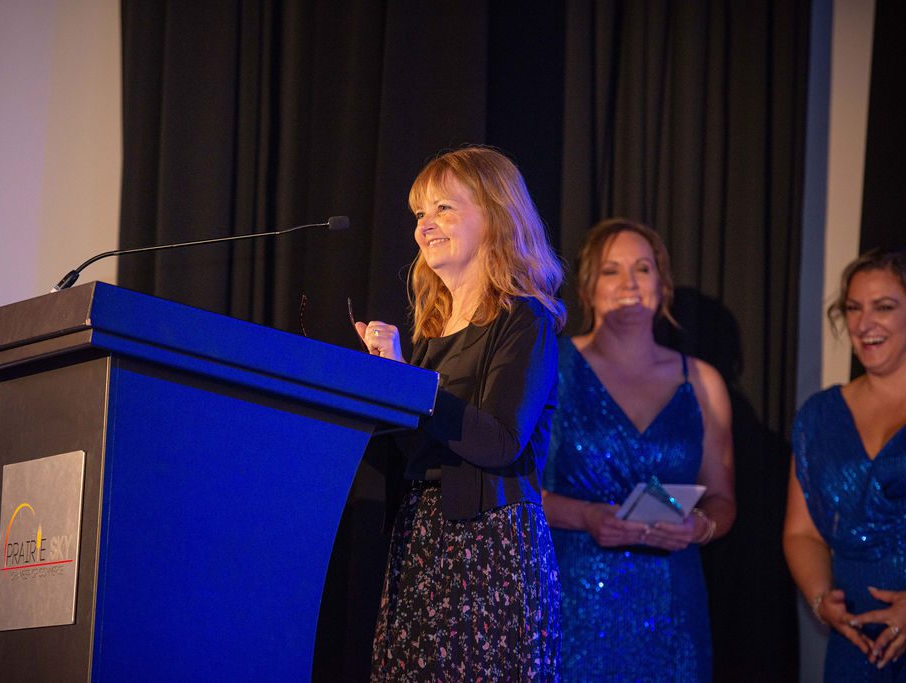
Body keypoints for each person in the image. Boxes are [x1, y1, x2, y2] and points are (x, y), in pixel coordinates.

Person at [357, 146, 567, 681]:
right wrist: (372, 387)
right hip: (421, 543)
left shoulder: (526, 319)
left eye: (444, 208)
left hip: (489, 548)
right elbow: (409, 454)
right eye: (419, 214)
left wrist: (406, 385)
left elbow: (499, 440)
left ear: (496, 215)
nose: (425, 226)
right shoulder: (430, 335)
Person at [541, 218, 736, 681]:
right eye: (611, 270)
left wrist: (700, 526)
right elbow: (515, 489)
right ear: (587, 288)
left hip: (674, 606)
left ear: (662, 284)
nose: (629, 283)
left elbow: (723, 500)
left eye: (643, 269)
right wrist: (587, 516)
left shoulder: (702, 381)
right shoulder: (550, 366)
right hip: (575, 600)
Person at [783, 247, 906, 680]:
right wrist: (822, 600)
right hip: (854, 644)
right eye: (854, 308)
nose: (864, 323)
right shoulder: (820, 416)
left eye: (883, 307)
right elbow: (801, 533)